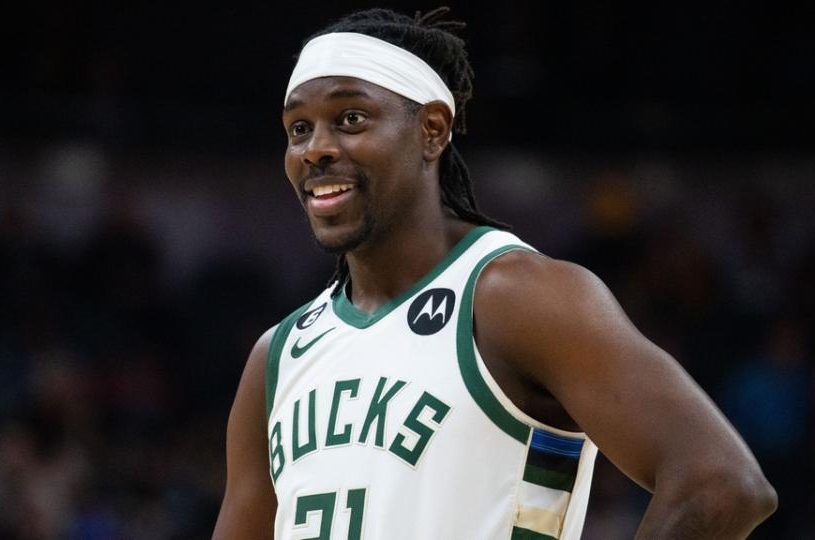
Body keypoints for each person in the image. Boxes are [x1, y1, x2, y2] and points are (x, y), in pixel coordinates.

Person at [213, 7, 777, 539]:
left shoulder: (516, 296)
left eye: (350, 118)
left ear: (432, 129)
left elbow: (722, 483)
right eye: (298, 129)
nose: (316, 149)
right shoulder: (278, 355)